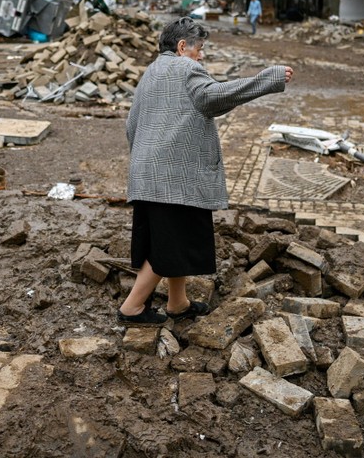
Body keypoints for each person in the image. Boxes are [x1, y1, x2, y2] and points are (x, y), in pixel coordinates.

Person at [117, 17, 295, 326]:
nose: (202, 56)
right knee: (168, 246)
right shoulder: (187, 68)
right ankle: (131, 307)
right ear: (183, 46)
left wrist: (146, 163)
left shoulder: (151, 72)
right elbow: (212, 98)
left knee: (174, 240)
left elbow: (131, 125)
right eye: (200, 49)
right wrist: (267, 79)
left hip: (148, 174)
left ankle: (178, 303)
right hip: (174, 178)